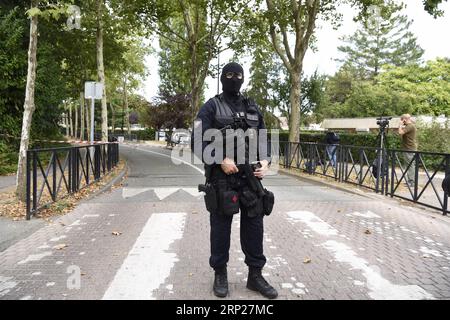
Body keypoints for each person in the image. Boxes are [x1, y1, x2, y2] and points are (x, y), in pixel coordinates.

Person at [191, 62, 278, 299]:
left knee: (255, 227)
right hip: (222, 179)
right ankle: (220, 273)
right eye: (229, 75)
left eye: (238, 75)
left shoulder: (252, 106)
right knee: (220, 229)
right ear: (221, 78)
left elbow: (263, 138)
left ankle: (255, 276)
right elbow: (197, 142)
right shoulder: (210, 107)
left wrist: (266, 162)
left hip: (250, 178)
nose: (234, 79)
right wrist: (220, 160)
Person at [398, 114, 418, 187]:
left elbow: (400, 132)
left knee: (410, 165)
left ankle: (411, 182)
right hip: (409, 148)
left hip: (409, 148)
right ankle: (410, 181)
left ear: (404, 119)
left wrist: (400, 125)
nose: (401, 121)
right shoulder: (409, 126)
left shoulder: (410, 126)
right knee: (409, 165)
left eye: (402, 120)